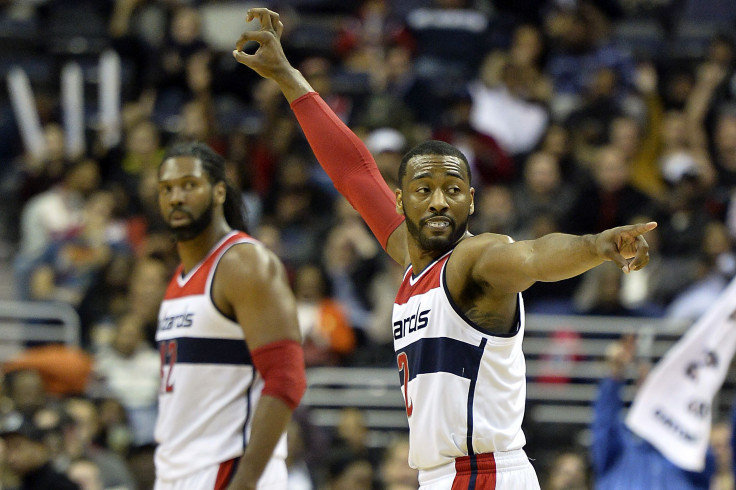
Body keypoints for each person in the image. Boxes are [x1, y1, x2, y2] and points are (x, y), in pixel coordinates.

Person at [233, 8, 657, 489]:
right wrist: (288, 78)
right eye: (423, 189)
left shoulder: (477, 261)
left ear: (471, 200)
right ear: (400, 199)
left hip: (487, 475)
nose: (439, 201)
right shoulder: (413, 261)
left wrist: (596, 245)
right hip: (440, 477)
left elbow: (536, 257)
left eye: (453, 189)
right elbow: (354, 174)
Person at [153, 140, 306, 489]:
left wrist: (245, 481)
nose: (176, 197)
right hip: (177, 471)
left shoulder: (244, 264)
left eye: (189, 185)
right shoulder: (178, 279)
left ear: (219, 191)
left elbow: (286, 378)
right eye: (167, 189)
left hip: (228, 468)